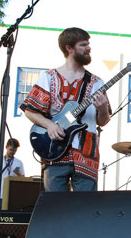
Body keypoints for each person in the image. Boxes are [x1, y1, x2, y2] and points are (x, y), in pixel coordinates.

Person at [20, 27, 110, 192]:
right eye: (83, 45)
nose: (89, 48)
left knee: (86, 209)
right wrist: (50, 125)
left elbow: (102, 121)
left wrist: (103, 108)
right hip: (54, 152)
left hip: (86, 155)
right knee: (55, 208)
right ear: (69, 48)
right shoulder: (48, 77)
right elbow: (29, 110)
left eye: (88, 44)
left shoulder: (97, 82)